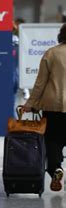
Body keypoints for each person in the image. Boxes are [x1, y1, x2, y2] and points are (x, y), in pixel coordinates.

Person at [22, 23, 66, 192]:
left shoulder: (51, 53)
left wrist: (30, 104)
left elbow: (40, 84)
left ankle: (56, 169)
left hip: (53, 106)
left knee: (52, 141)